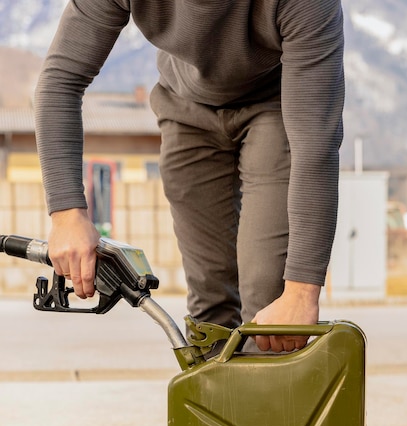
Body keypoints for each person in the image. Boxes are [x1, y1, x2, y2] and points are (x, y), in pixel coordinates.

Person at [34, 0, 344, 353]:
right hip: (186, 109)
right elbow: (61, 79)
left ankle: (271, 402)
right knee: (209, 301)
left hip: (276, 107)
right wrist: (67, 213)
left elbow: (315, 144)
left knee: (270, 304)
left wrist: (302, 292)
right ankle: (214, 404)